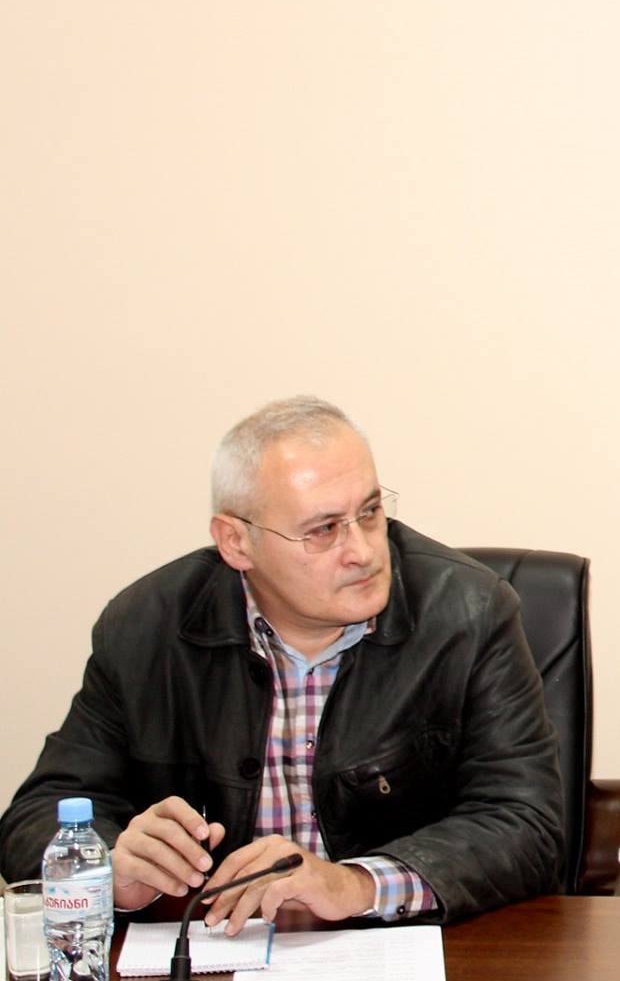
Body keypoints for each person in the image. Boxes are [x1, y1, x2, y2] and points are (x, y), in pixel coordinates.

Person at [1, 397, 564, 929]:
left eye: (370, 512)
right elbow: (37, 815)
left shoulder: (469, 612)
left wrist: (356, 884)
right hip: (214, 956)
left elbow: (528, 823)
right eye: (323, 529)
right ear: (236, 542)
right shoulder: (146, 628)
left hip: (411, 956)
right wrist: (108, 870)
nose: (364, 551)